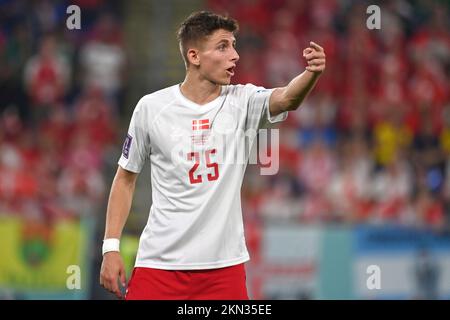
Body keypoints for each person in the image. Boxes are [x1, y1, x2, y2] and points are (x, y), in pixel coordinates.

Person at [99, 11, 325, 300]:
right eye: (223, 46)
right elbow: (125, 179)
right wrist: (111, 247)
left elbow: (287, 98)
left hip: (223, 269)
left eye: (233, 45)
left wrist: (311, 74)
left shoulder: (243, 101)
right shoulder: (151, 108)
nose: (235, 55)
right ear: (194, 56)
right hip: (160, 265)